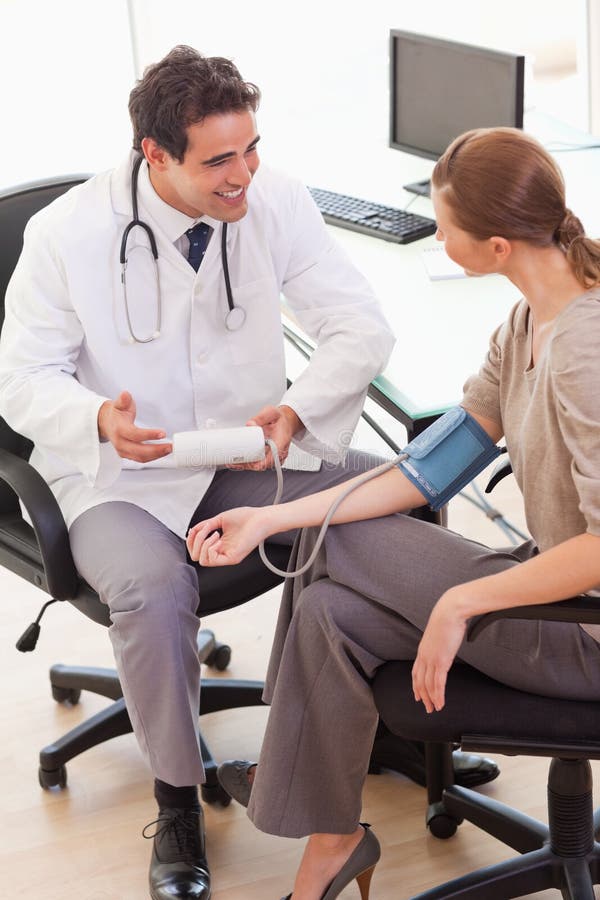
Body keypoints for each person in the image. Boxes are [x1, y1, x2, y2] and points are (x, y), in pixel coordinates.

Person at [0, 45, 400, 900]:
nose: (243, 174)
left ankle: (368, 735)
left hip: (242, 455)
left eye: (250, 148)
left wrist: (298, 408)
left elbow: (359, 326)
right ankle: (177, 803)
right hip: (117, 479)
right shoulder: (66, 232)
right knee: (151, 590)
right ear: (156, 155)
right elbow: (21, 380)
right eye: (219, 159)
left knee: (393, 505)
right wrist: (96, 419)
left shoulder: (273, 199)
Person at [187, 126, 600, 900]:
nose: (435, 236)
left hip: (585, 629)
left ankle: (293, 772)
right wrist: (273, 521)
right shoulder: (526, 325)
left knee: (340, 541)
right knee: (333, 612)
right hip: (549, 596)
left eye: (445, 227)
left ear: (499, 245)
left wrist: (463, 598)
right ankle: (331, 846)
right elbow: (430, 469)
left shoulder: (586, 349)